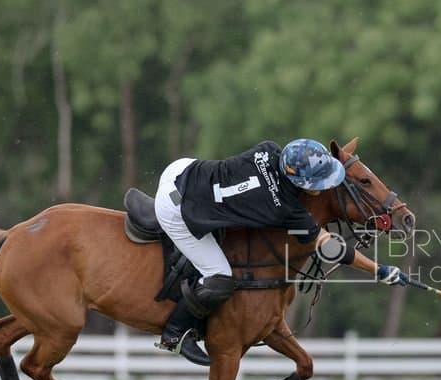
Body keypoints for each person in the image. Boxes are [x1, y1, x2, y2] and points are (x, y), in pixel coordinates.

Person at [153, 138, 406, 366]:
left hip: (181, 170)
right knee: (219, 277)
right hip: (175, 208)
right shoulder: (283, 209)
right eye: (319, 182)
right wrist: (379, 270)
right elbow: (332, 248)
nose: (323, 187)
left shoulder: (269, 149)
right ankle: (174, 333)